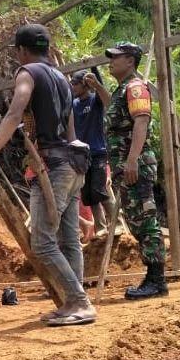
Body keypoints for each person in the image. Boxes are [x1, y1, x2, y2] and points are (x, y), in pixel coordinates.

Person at [0, 23, 95, 326]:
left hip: (53, 165)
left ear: (21, 51)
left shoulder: (27, 73)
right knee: (69, 239)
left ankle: (79, 302)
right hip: (73, 162)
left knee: (43, 242)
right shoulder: (61, 78)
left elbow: (15, 112)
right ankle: (73, 299)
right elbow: (71, 131)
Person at [102, 42, 168, 299]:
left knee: (145, 219)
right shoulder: (121, 90)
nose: (111, 61)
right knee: (137, 220)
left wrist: (132, 159)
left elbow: (141, 123)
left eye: (115, 58)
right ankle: (153, 277)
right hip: (126, 166)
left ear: (130, 61)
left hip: (135, 165)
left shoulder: (135, 88)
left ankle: (157, 280)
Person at [70, 69, 115, 235]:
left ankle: (115, 222)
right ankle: (101, 227)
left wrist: (95, 71)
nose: (73, 86)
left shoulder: (95, 101)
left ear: (85, 84)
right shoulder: (74, 104)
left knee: (99, 189)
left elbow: (103, 92)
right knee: (88, 194)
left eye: (75, 83)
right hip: (82, 154)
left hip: (98, 152)